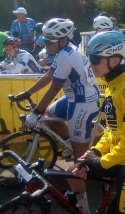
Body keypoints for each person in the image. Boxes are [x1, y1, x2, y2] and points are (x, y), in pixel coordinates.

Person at [66, 30, 125, 214]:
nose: (90, 64)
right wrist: (96, 151)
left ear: (114, 60)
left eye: (95, 59)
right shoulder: (114, 86)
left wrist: (101, 161)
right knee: (72, 173)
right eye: (89, 58)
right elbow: (112, 130)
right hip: (116, 156)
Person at [16, 18, 99, 160]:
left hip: (83, 103)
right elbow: (49, 75)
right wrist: (27, 93)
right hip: (75, 96)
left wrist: (36, 113)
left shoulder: (65, 56)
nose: (45, 44)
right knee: (49, 116)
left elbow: (54, 88)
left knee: (79, 158)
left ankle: (83, 173)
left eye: (49, 41)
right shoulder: (64, 51)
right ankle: (69, 142)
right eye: (44, 40)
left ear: (63, 40)